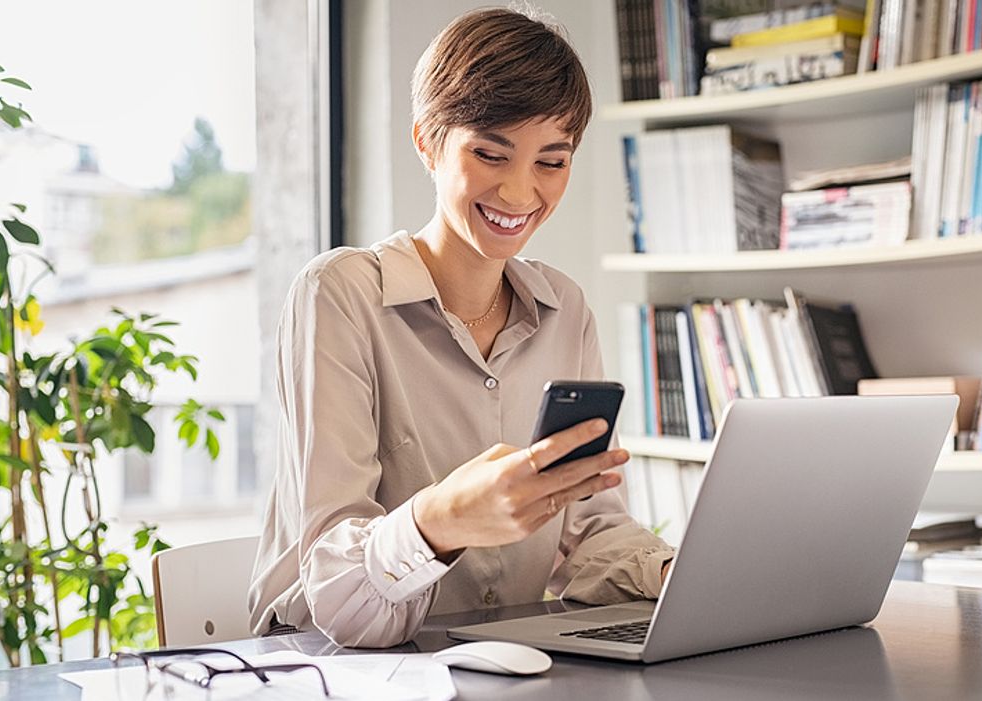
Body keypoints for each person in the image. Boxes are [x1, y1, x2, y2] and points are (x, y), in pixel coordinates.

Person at [247, 7, 674, 648]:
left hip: (492, 660)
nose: (520, 193)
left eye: (551, 162)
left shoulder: (565, 309)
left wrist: (677, 573)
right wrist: (442, 520)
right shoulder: (339, 294)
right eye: (490, 153)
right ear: (426, 141)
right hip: (325, 665)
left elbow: (588, 530)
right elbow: (333, 586)